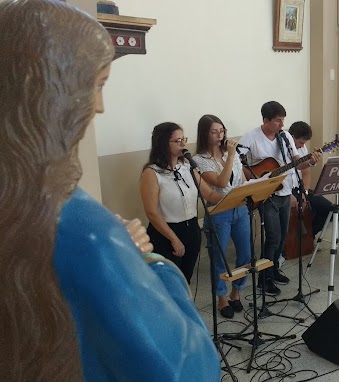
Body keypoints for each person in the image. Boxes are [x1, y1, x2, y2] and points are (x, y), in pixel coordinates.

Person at [0, 0, 220, 380]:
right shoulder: (85, 229)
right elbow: (190, 368)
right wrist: (144, 261)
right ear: (56, 90)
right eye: (97, 86)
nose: (100, 106)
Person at [239, 101, 321, 296]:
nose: (282, 125)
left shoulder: (285, 138)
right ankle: (263, 279)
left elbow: (296, 164)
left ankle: (274, 269)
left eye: (283, 120)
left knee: (282, 236)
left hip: (286, 192)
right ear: (265, 120)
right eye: (277, 120)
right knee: (273, 237)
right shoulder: (251, 137)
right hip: (266, 196)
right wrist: (255, 180)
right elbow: (237, 164)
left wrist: (310, 161)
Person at [140, 122, 226, 282]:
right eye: (177, 141)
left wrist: (238, 197)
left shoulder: (187, 167)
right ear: (163, 144)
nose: (183, 144)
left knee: (186, 279)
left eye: (183, 139)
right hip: (165, 233)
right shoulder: (151, 172)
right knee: (171, 282)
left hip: (191, 229)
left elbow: (209, 194)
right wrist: (174, 239)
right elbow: (151, 212)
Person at [193, 114, 252, 319]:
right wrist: (230, 154)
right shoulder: (199, 160)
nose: (220, 135)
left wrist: (250, 190)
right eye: (214, 132)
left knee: (245, 253)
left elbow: (242, 179)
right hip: (219, 212)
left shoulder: (232, 154)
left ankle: (236, 292)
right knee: (219, 257)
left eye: (222, 130)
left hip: (240, 208)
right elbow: (220, 181)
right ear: (205, 134)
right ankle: (222, 298)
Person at [288, 121, 334, 236]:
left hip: (300, 189)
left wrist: (305, 192)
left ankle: (308, 237)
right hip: (285, 191)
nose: (302, 146)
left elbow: (306, 172)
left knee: (328, 208)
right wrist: (289, 194)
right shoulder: (280, 149)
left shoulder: (302, 149)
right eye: (300, 142)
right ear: (291, 137)